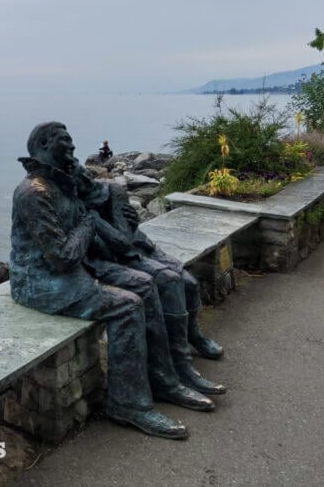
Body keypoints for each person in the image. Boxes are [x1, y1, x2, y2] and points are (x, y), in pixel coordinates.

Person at [10, 122, 204, 440]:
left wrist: (118, 221)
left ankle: (164, 381)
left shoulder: (63, 181)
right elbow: (62, 256)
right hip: (40, 281)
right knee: (127, 306)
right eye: (65, 142)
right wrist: (89, 222)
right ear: (44, 144)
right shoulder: (33, 192)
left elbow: (98, 204)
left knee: (146, 284)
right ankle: (128, 404)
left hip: (76, 267)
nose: (73, 148)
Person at [74, 167, 226, 396]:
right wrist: (104, 226)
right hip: (121, 259)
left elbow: (124, 235)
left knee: (190, 283)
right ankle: (182, 365)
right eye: (77, 177)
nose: (84, 178)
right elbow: (112, 246)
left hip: (141, 246)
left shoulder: (112, 189)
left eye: (85, 173)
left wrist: (109, 224)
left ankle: (193, 335)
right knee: (171, 282)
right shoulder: (77, 206)